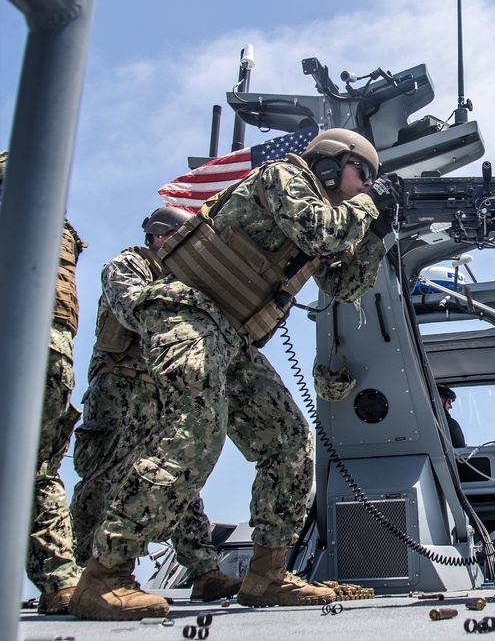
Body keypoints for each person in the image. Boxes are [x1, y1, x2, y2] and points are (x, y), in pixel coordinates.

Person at [69, 128, 399, 620]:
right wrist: (371, 207)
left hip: (236, 335)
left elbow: (344, 283)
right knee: (195, 429)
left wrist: (376, 234)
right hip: (189, 311)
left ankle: (266, 575)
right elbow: (318, 231)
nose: (367, 185)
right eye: (364, 173)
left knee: (288, 439)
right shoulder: (284, 175)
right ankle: (105, 575)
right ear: (331, 162)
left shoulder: (340, 216)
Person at [69, 206, 242, 603]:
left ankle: (204, 572)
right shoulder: (128, 265)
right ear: (161, 238)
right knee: (103, 479)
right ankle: (87, 573)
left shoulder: (181, 279)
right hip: (119, 392)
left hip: (162, 394)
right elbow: (135, 309)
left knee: (177, 478)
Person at [1, 150, 87, 615]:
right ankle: (60, 580)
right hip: (56, 353)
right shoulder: (61, 229)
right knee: (39, 473)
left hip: (22, 342)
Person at [437, 383, 467, 448]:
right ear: (439, 398)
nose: (450, 406)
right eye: (449, 402)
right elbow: (461, 454)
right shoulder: (451, 424)